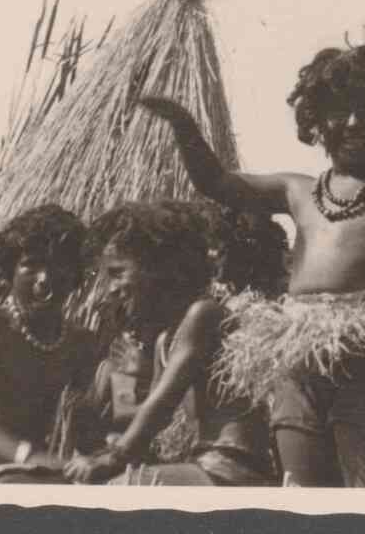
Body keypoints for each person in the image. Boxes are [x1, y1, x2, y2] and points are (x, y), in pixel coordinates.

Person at [138, 42, 365, 487]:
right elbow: (218, 182)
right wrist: (183, 125)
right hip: (297, 356)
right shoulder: (297, 190)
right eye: (338, 111)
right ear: (315, 120)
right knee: (300, 493)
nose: (352, 123)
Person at [62, 201, 287, 486]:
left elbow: (161, 407)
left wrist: (112, 458)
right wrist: (106, 446)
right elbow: (149, 416)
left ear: (159, 269)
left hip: (234, 468)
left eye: (118, 273)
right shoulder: (164, 340)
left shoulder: (203, 315)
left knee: (121, 489)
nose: (111, 289)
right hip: (203, 464)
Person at [0, 204, 95, 483]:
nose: (44, 279)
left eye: (58, 266)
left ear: (75, 277)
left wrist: (108, 450)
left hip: (32, 469)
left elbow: (85, 424)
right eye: (31, 264)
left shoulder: (79, 342)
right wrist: (30, 456)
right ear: (10, 270)